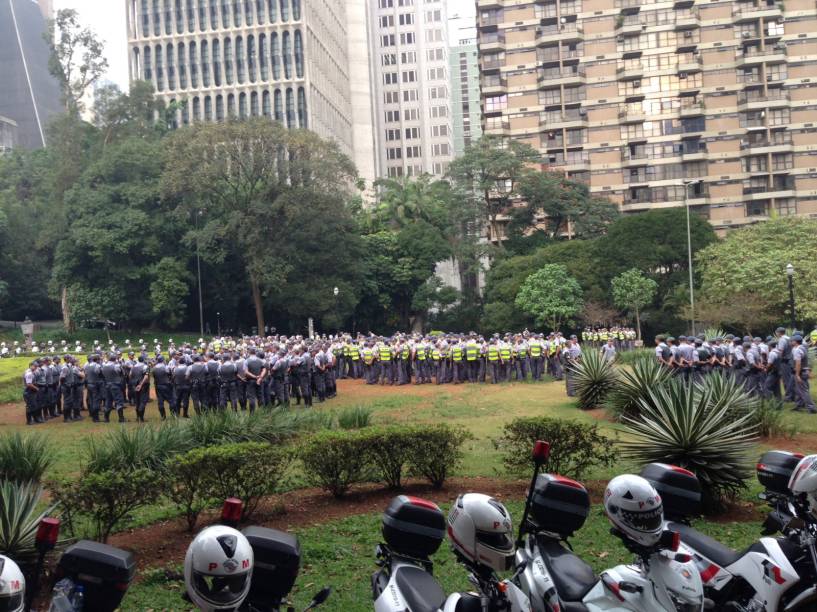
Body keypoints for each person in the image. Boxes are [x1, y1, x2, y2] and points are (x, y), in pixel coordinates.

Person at [791, 334, 816, 414]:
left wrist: (797, 375)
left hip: (801, 372)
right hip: (804, 371)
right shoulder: (803, 348)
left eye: (792, 341)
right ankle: (799, 405)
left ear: (795, 342)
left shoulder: (798, 350)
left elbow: (798, 363)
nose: (791, 342)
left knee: (803, 391)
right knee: (799, 390)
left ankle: (812, 408)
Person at [101, 353, 126, 423]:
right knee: (119, 401)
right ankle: (121, 418)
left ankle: (106, 418)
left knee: (108, 402)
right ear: (115, 359)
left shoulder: (104, 366)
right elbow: (123, 373)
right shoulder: (116, 366)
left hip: (107, 385)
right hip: (115, 385)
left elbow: (102, 374)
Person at [152, 355, 175, 419]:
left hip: (158, 386)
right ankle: (173, 415)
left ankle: (163, 417)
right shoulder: (166, 367)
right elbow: (171, 375)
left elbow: (154, 377)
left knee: (160, 401)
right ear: (163, 360)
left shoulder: (154, 368)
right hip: (166, 386)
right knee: (171, 400)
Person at [23, 360, 42, 425]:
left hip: (32, 391)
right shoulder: (29, 373)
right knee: (30, 406)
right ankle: (29, 421)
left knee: (34, 405)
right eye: (35, 366)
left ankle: (35, 419)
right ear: (31, 365)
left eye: (37, 366)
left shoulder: (32, 372)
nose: (36, 368)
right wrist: (36, 388)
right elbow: (29, 384)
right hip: (29, 392)